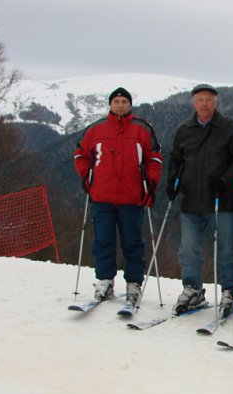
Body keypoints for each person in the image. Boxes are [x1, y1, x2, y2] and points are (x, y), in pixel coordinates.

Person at [73, 87, 162, 308]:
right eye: (117, 101)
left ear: (130, 105)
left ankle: (134, 283)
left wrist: (150, 183)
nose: (120, 105)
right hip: (102, 195)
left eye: (124, 102)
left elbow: (154, 159)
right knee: (103, 240)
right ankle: (105, 281)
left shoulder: (142, 129)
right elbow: (80, 154)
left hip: (132, 196)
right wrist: (87, 178)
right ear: (110, 104)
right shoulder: (96, 129)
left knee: (133, 241)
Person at [166, 84, 233, 317]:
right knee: (188, 250)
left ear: (215, 102)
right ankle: (192, 289)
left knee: (226, 250)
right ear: (193, 102)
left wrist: (225, 179)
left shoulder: (229, 127)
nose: (204, 104)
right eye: (200, 99)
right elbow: (175, 158)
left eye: (208, 100)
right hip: (191, 201)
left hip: (222, 201)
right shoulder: (184, 129)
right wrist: (172, 181)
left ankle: (229, 290)